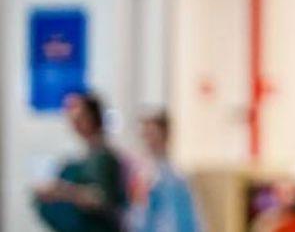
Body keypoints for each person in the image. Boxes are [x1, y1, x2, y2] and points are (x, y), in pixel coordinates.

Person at [34, 92, 128, 232]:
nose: (74, 123)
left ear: (91, 117)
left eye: (78, 117)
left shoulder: (102, 157)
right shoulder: (86, 156)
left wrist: (63, 191)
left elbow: (101, 198)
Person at [132, 111, 202, 232]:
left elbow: (188, 218)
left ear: (165, 135)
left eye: (153, 134)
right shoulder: (142, 173)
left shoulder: (177, 176)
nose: (149, 140)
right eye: (146, 135)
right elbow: (138, 215)